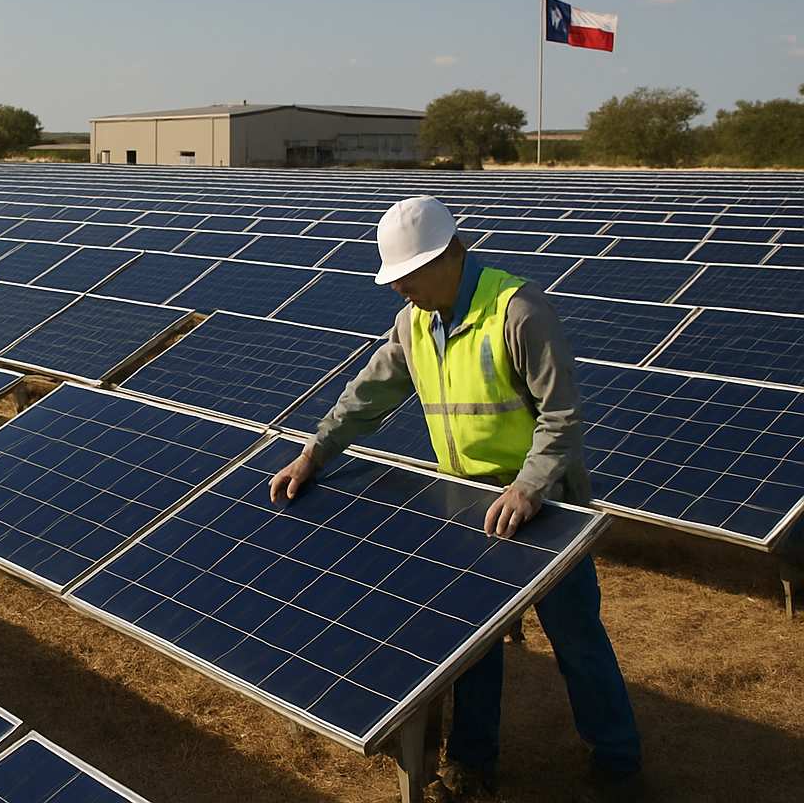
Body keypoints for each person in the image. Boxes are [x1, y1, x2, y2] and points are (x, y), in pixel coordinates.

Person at [267, 196, 641, 802]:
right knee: (473, 643)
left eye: (409, 276)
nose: (402, 291)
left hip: (546, 505)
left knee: (575, 636)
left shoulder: (516, 310)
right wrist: (315, 453)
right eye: (396, 281)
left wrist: (529, 485)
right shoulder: (415, 322)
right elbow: (370, 393)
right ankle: (472, 764)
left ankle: (618, 760)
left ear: (448, 257)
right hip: (465, 503)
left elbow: (562, 414)